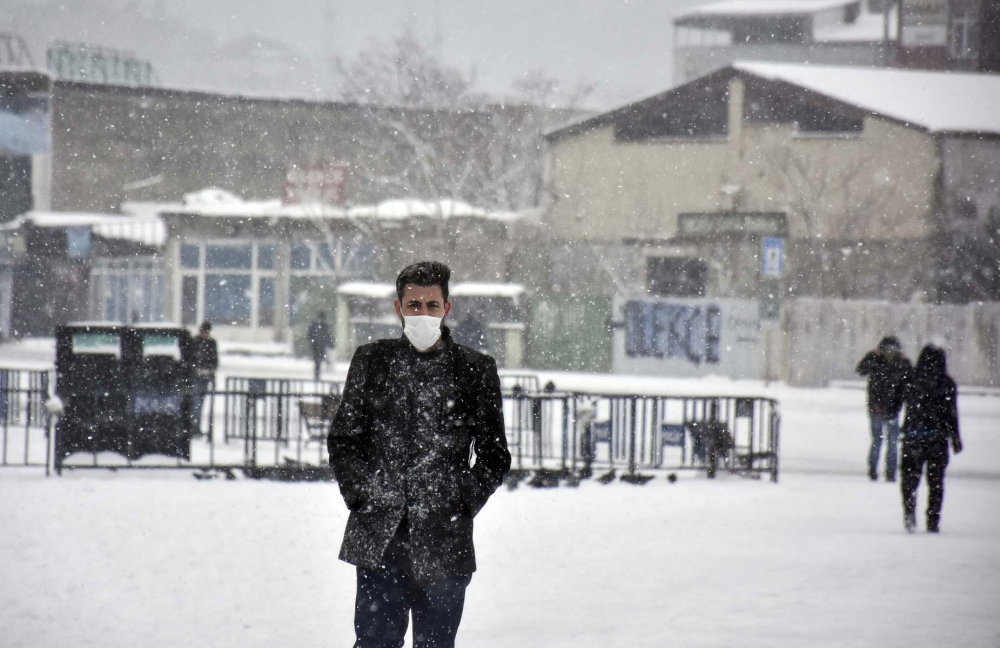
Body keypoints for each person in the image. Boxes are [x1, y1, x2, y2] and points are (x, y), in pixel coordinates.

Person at [328, 261, 511, 648]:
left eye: (431, 304)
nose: (422, 313)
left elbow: (495, 456)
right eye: (413, 305)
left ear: (447, 308)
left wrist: (460, 500)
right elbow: (344, 441)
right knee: (375, 642)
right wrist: (365, 495)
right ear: (399, 308)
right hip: (380, 539)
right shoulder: (371, 362)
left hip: (446, 541)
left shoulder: (474, 370)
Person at [899, 344, 963, 533]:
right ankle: (933, 519)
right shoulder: (946, 383)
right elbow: (952, 414)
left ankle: (909, 510)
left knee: (910, 478)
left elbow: (896, 401)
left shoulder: (911, 379)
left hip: (913, 437)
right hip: (937, 439)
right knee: (936, 482)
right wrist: (955, 437)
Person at [856, 336, 911, 481]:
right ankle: (877, 470)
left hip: (889, 409)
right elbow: (861, 370)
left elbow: (908, 385)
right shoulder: (879, 361)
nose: (890, 353)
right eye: (887, 350)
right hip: (879, 408)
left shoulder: (901, 364)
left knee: (885, 442)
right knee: (882, 441)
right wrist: (872, 356)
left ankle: (886, 471)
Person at [186, 320, 218, 436]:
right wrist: (197, 369)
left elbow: (214, 359)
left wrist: (209, 369)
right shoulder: (196, 342)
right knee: (196, 402)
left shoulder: (210, 343)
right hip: (197, 375)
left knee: (200, 402)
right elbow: (191, 359)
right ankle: (194, 427)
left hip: (205, 375)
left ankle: (196, 426)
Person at [307, 311, 334, 381]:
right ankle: (317, 374)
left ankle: (317, 374)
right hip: (319, 346)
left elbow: (310, 335)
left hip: (317, 346)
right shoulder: (322, 326)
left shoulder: (316, 325)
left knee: (317, 361)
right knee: (318, 360)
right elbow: (328, 336)